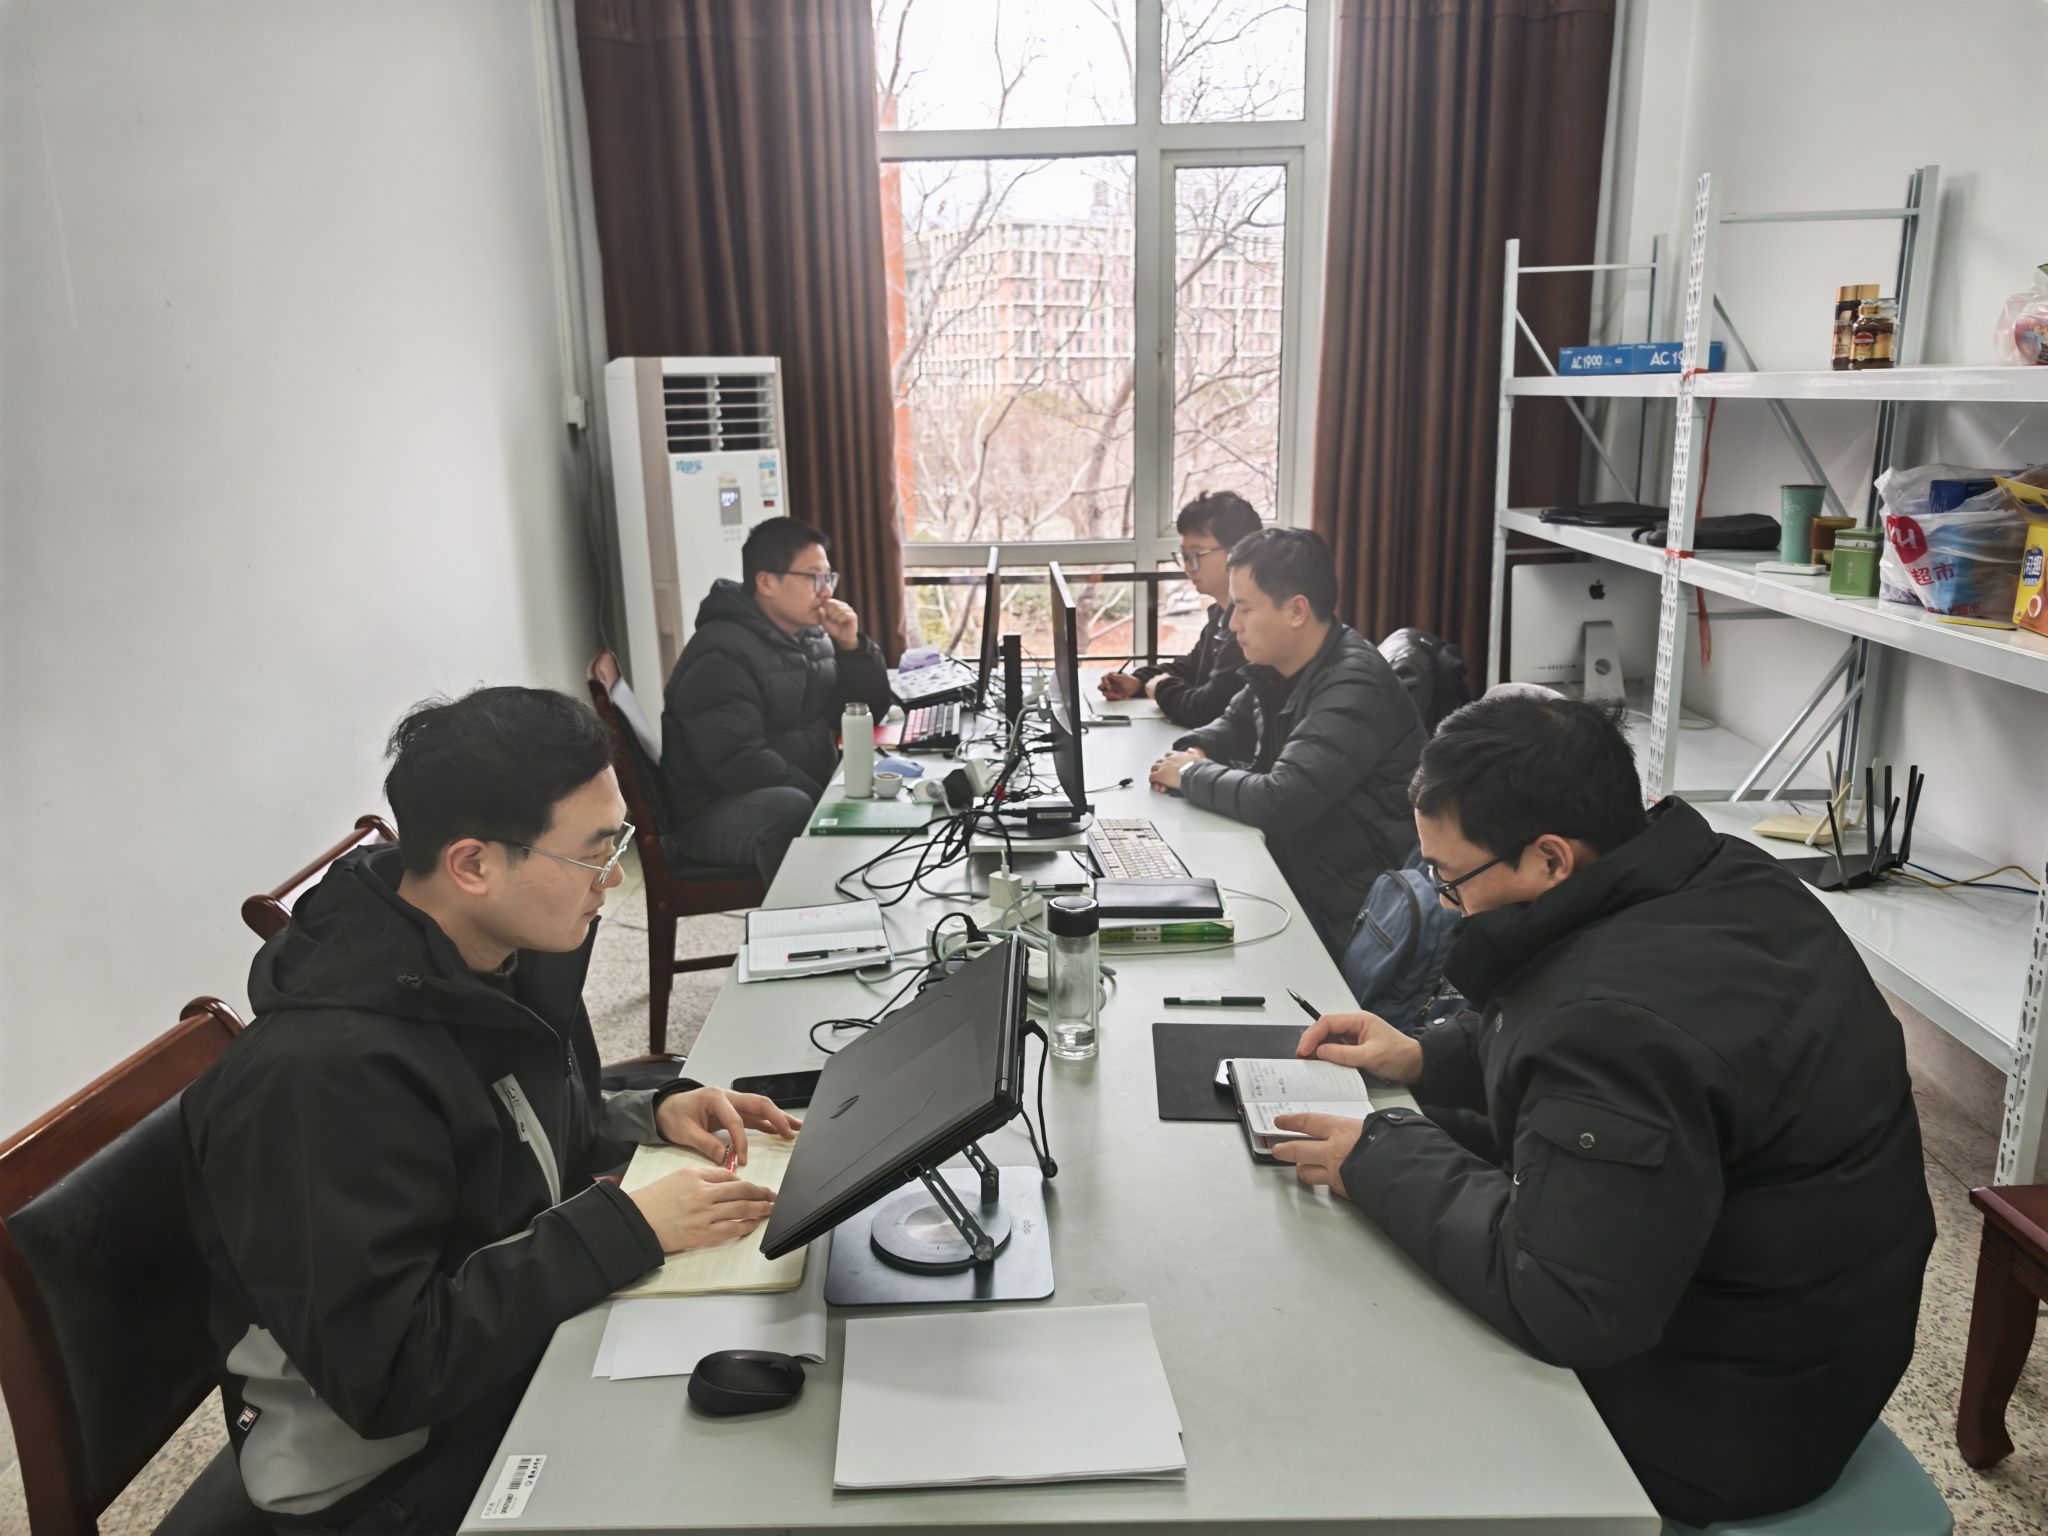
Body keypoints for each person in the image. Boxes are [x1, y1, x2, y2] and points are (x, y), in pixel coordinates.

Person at [1270, 694, 1935, 1527]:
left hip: (1725, 1419)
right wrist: (1425, 1057)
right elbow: (1570, 1016)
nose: (1441, 902)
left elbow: (1564, 1298)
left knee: (1355, 1359)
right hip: (1814, 1343)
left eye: (1449, 878)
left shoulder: (1612, 1029)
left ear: (1550, 858)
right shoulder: (1713, 876)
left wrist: (1380, 1156)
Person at [183, 687, 798, 1533]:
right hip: (387, 1472)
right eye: (595, 854)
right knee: (752, 1474)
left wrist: (649, 1115)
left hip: (501, 1358)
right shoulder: (317, 1079)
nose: (614, 878)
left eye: (617, 840)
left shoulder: (497, 954)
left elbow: (517, 1131)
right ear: (472, 865)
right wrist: (626, 1227)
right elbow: (388, 1373)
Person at [1147, 526, 1422, 949]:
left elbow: (1282, 800)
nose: (1231, 624)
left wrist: (1189, 774)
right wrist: (1198, 747)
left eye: (1243, 608)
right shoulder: (1284, 663)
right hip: (1304, 870)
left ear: (1296, 611)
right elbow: (1233, 723)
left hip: (1350, 907)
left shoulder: (1353, 685)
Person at [660, 517, 893, 883]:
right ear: (766, 582)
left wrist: (852, 646)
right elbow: (740, 760)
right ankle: (806, 915)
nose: (826, 592)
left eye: (829, 578)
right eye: (813, 578)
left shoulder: (813, 635)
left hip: (791, 784)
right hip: (716, 808)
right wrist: (824, 801)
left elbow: (865, 713)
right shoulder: (721, 654)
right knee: (792, 808)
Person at [1098, 490, 1260, 727]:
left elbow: (1205, 709)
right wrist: (1139, 681)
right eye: (1184, 556)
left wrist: (1160, 687)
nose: (1188, 567)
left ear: (1238, 553)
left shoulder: (1251, 626)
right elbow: (1191, 667)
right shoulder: (1221, 613)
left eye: (1196, 555)